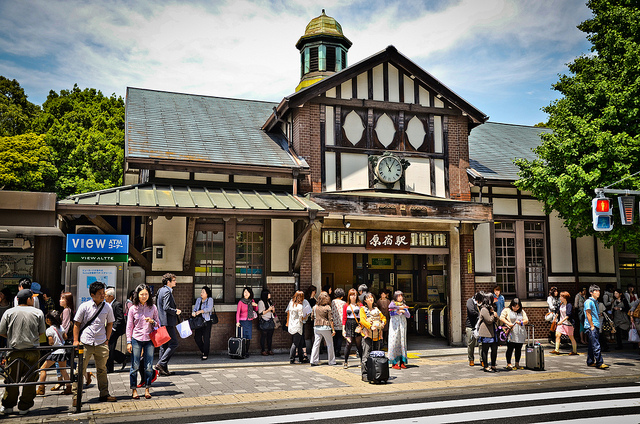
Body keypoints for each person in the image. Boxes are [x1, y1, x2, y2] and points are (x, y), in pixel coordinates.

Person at [0, 289, 46, 415]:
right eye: (32, 298)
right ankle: (24, 406)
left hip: (13, 351)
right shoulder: (38, 312)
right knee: (30, 379)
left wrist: (13, 337)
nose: (34, 299)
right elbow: (41, 332)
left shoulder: (9, 312)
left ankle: (8, 405)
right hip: (32, 350)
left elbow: (2, 331)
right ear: (28, 299)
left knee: (11, 378)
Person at [72, 281, 117, 406]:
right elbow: (76, 324)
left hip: (101, 342)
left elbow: (110, 323)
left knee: (102, 369)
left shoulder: (107, 307)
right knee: (80, 369)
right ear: (92, 294)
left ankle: (104, 394)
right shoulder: (84, 306)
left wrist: (107, 339)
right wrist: (76, 340)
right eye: (100, 293)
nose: (103, 295)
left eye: (103, 293)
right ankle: (76, 397)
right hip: (85, 341)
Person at [126, 284, 160, 400]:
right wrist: (128, 341)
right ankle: (134, 390)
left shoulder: (153, 308)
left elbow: (158, 324)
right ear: (137, 295)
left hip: (149, 339)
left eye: (146, 294)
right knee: (135, 365)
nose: (144, 296)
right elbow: (129, 326)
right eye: (142, 294)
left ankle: (147, 389)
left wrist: (152, 322)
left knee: (149, 366)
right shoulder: (132, 308)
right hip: (136, 339)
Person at [37, 311, 71, 396]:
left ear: (48, 320)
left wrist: (51, 343)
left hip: (55, 352)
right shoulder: (61, 328)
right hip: (62, 351)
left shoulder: (49, 330)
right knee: (63, 370)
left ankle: (41, 388)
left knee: (43, 369)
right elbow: (65, 337)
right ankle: (69, 387)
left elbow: (51, 342)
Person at [155, 273, 181, 376]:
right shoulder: (167, 292)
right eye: (174, 280)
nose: (175, 282)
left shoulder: (160, 290)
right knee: (174, 343)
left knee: (164, 346)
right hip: (167, 322)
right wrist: (176, 311)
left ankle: (162, 370)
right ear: (168, 282)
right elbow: (166, 307)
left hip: (162, 322)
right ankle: (161, 364)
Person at [359, 292, 386, 381]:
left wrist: (383, 323)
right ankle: (365, 374)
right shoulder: (363, 309)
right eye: (368, 298)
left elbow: (383, 318)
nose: (371, 299)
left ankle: (376, 373)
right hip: (367, 336)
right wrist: (370, 326)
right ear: (365, 300)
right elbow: (362, 321)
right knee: (366, 355)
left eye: (372, 297)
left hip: (377, 335)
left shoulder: (377, 309)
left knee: (377, 355)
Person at [584, 284, 608, 369]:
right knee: (596, 345)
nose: (598, 293)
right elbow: (588, 313)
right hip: (592, 326)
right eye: (596, 291)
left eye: (599, 291)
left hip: (595, 325)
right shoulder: (589, 302)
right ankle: (599, 362)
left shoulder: (595, 302)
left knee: (592, 345)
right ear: (591, 292)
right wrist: (592, 326)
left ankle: (590, 361)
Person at [500, 298, 528, 370]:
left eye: (517, 307)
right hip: (511, 332)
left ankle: (517, 363)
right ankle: (509, 363)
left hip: (520, 332)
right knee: (510, 348)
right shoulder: (507, 310)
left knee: (518, 348)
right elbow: (501, 317)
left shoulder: (522, 312)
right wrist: (508, 323)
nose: (516, 308)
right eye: (514, 306)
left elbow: (526, 320)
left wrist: (521, 323)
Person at [310, 291, 336, 366]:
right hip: (326, 327)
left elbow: (312, 317)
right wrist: (333, 330)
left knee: (316, 344)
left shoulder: (315, 307)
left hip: (316, 327)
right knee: (330, 344)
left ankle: (313, 360)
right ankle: (331, 361)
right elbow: (330, 319)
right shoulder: (328, 307)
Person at [388, 290, 410, 369]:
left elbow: (408, 315)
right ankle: (394, 362)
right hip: (395, 326)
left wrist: (403, 311)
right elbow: (390, 310)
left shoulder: (404, 305)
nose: (400, 297)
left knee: (402, 342)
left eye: (401, 296)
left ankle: (402, 362)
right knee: (394, 342)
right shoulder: (392, 304)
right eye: (398, 296)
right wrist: (398, 310)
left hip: (402, 325)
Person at [105, 287, 125, 373]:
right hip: (107, 329)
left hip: (114, 330)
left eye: (106, 296)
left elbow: (120, 318)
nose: (104, 297)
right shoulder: (107, 304)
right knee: (109, 348)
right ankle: (123, 358)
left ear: (111, 296)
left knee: (110, 348)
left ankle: (110, 368)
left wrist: (113, 329)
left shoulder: (117, 304)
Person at [478, 293, 499, 373]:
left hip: (493, 332)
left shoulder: (491, 308)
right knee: (485, 350)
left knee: (494, 349)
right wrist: (493, 314)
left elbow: (496, 319)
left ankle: (493, 365)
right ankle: (486, 366)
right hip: (486, 333)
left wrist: (495, 314)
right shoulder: (483, 309)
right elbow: (489, 320)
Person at [342, 288, 363, 369]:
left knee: (359, 344)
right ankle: (346, 362)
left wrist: (362, 327)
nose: (353, 296)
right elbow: (344, 318)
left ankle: (361, 361)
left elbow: (362, 316)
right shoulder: (346, 305)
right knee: (348, 343)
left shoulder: (360, 305)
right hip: (348, 325)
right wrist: (343, 329)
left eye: (354, 295)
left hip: (357, 324)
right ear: (349, 296)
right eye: (351, 295)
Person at [192, 286, 214, 360]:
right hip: (198, 321)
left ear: (207, 293)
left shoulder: (210, 300)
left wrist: (200, 311)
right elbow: (195, 308)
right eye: (201, 292)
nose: (201, 293)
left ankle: (205, 354)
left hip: (207, 321)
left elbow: (209, 308)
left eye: (203, 292)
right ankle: (203, 350)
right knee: (197, 338)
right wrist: (194, 312)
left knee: (206, 338)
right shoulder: (198, 300)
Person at [235, 287, 258, 356]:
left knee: (248, 337)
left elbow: (256, 309)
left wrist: (255, 305)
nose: (246, 293)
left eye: (247, 292)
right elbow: (238, 312)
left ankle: (246, 352)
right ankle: (241, 352)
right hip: (242, 322)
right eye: (245, 292)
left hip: (249, 321)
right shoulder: (241, 302)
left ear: (250, 294)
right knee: (242, 337)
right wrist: (237, 321)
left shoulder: (252, 301)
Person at [287, 290, 306, 364]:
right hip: (298, 326)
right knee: (295, 343)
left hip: (292, 325)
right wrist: (306, 316)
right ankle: (292, 359)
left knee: (300, 342)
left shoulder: (291, 304)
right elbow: (301, 318)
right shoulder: (299, 306)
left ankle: (301, 358)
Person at [465, 292, 483, 367]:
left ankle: (482, 359)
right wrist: (480, 314)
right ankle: (471, 359)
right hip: (471, 326)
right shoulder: (470, 301)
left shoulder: (482, 304)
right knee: (471, 344)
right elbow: (471, 311)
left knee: (481, 344)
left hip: (480, 327)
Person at [257, 288, 275, 356]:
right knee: (263, 336)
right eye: (268, 293)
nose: (269, 295)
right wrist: (268, 309)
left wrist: (273, 310)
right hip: (264, 321)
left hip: (270, 320)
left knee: (270, 337)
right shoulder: (261, 302)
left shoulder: (269, 301)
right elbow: (260, 312)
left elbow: (273, 312)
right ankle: (263, 350)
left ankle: (269, 349)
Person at [331, 288, 346, 358]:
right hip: (341, 321)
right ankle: (338, 351)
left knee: (334, 337)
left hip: (334, 321)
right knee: (340, 337)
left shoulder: (332, 302)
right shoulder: (344, 303)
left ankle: (333, 350)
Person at [304, 286, 317, 353]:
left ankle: (311, 349)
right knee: (309, 333)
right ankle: (309, 348)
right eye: (315, 291)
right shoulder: (308, 300)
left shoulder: (312, 299)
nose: (315, 293)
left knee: (312, 333)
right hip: (309, 318)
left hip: (312, 318)